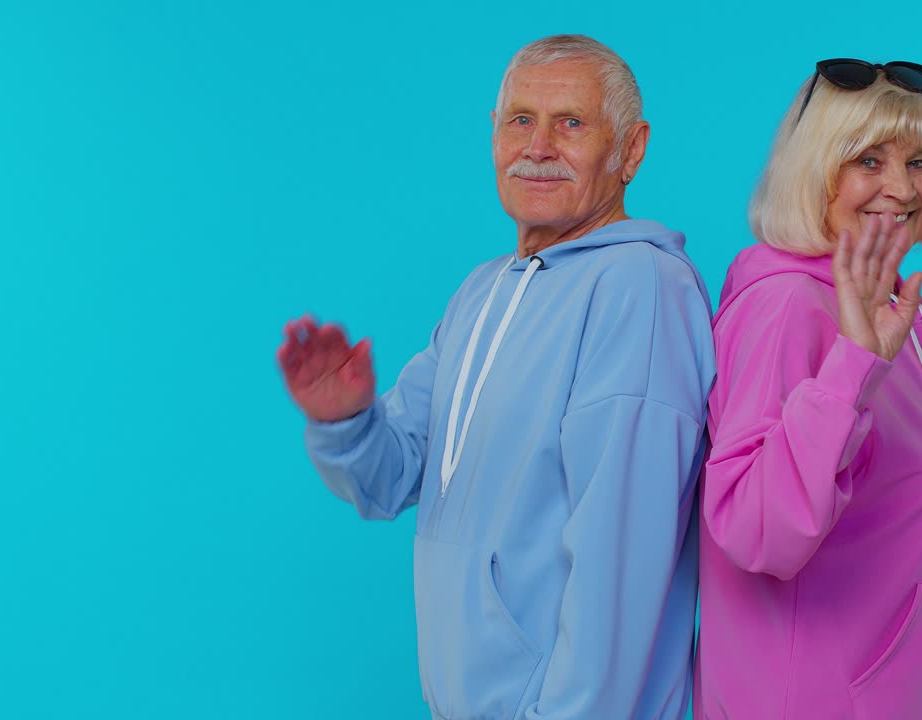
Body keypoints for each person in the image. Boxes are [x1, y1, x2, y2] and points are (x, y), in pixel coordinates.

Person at [276, 35, 714, 720]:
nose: (538, 147)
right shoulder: (482, 293)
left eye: (571, 123)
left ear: (630, 150)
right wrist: (345, 421)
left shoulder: (640, 287)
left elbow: (621, 560)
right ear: (493, 133)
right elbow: (390, 477)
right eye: (520, 120)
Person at [694, 59, 922, 719]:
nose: (901, 187)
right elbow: (756, 531)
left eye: (919, 162)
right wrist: (852, 364)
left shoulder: (891, 308)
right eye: (868, 160)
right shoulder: (786, 304)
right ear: (815, 172)